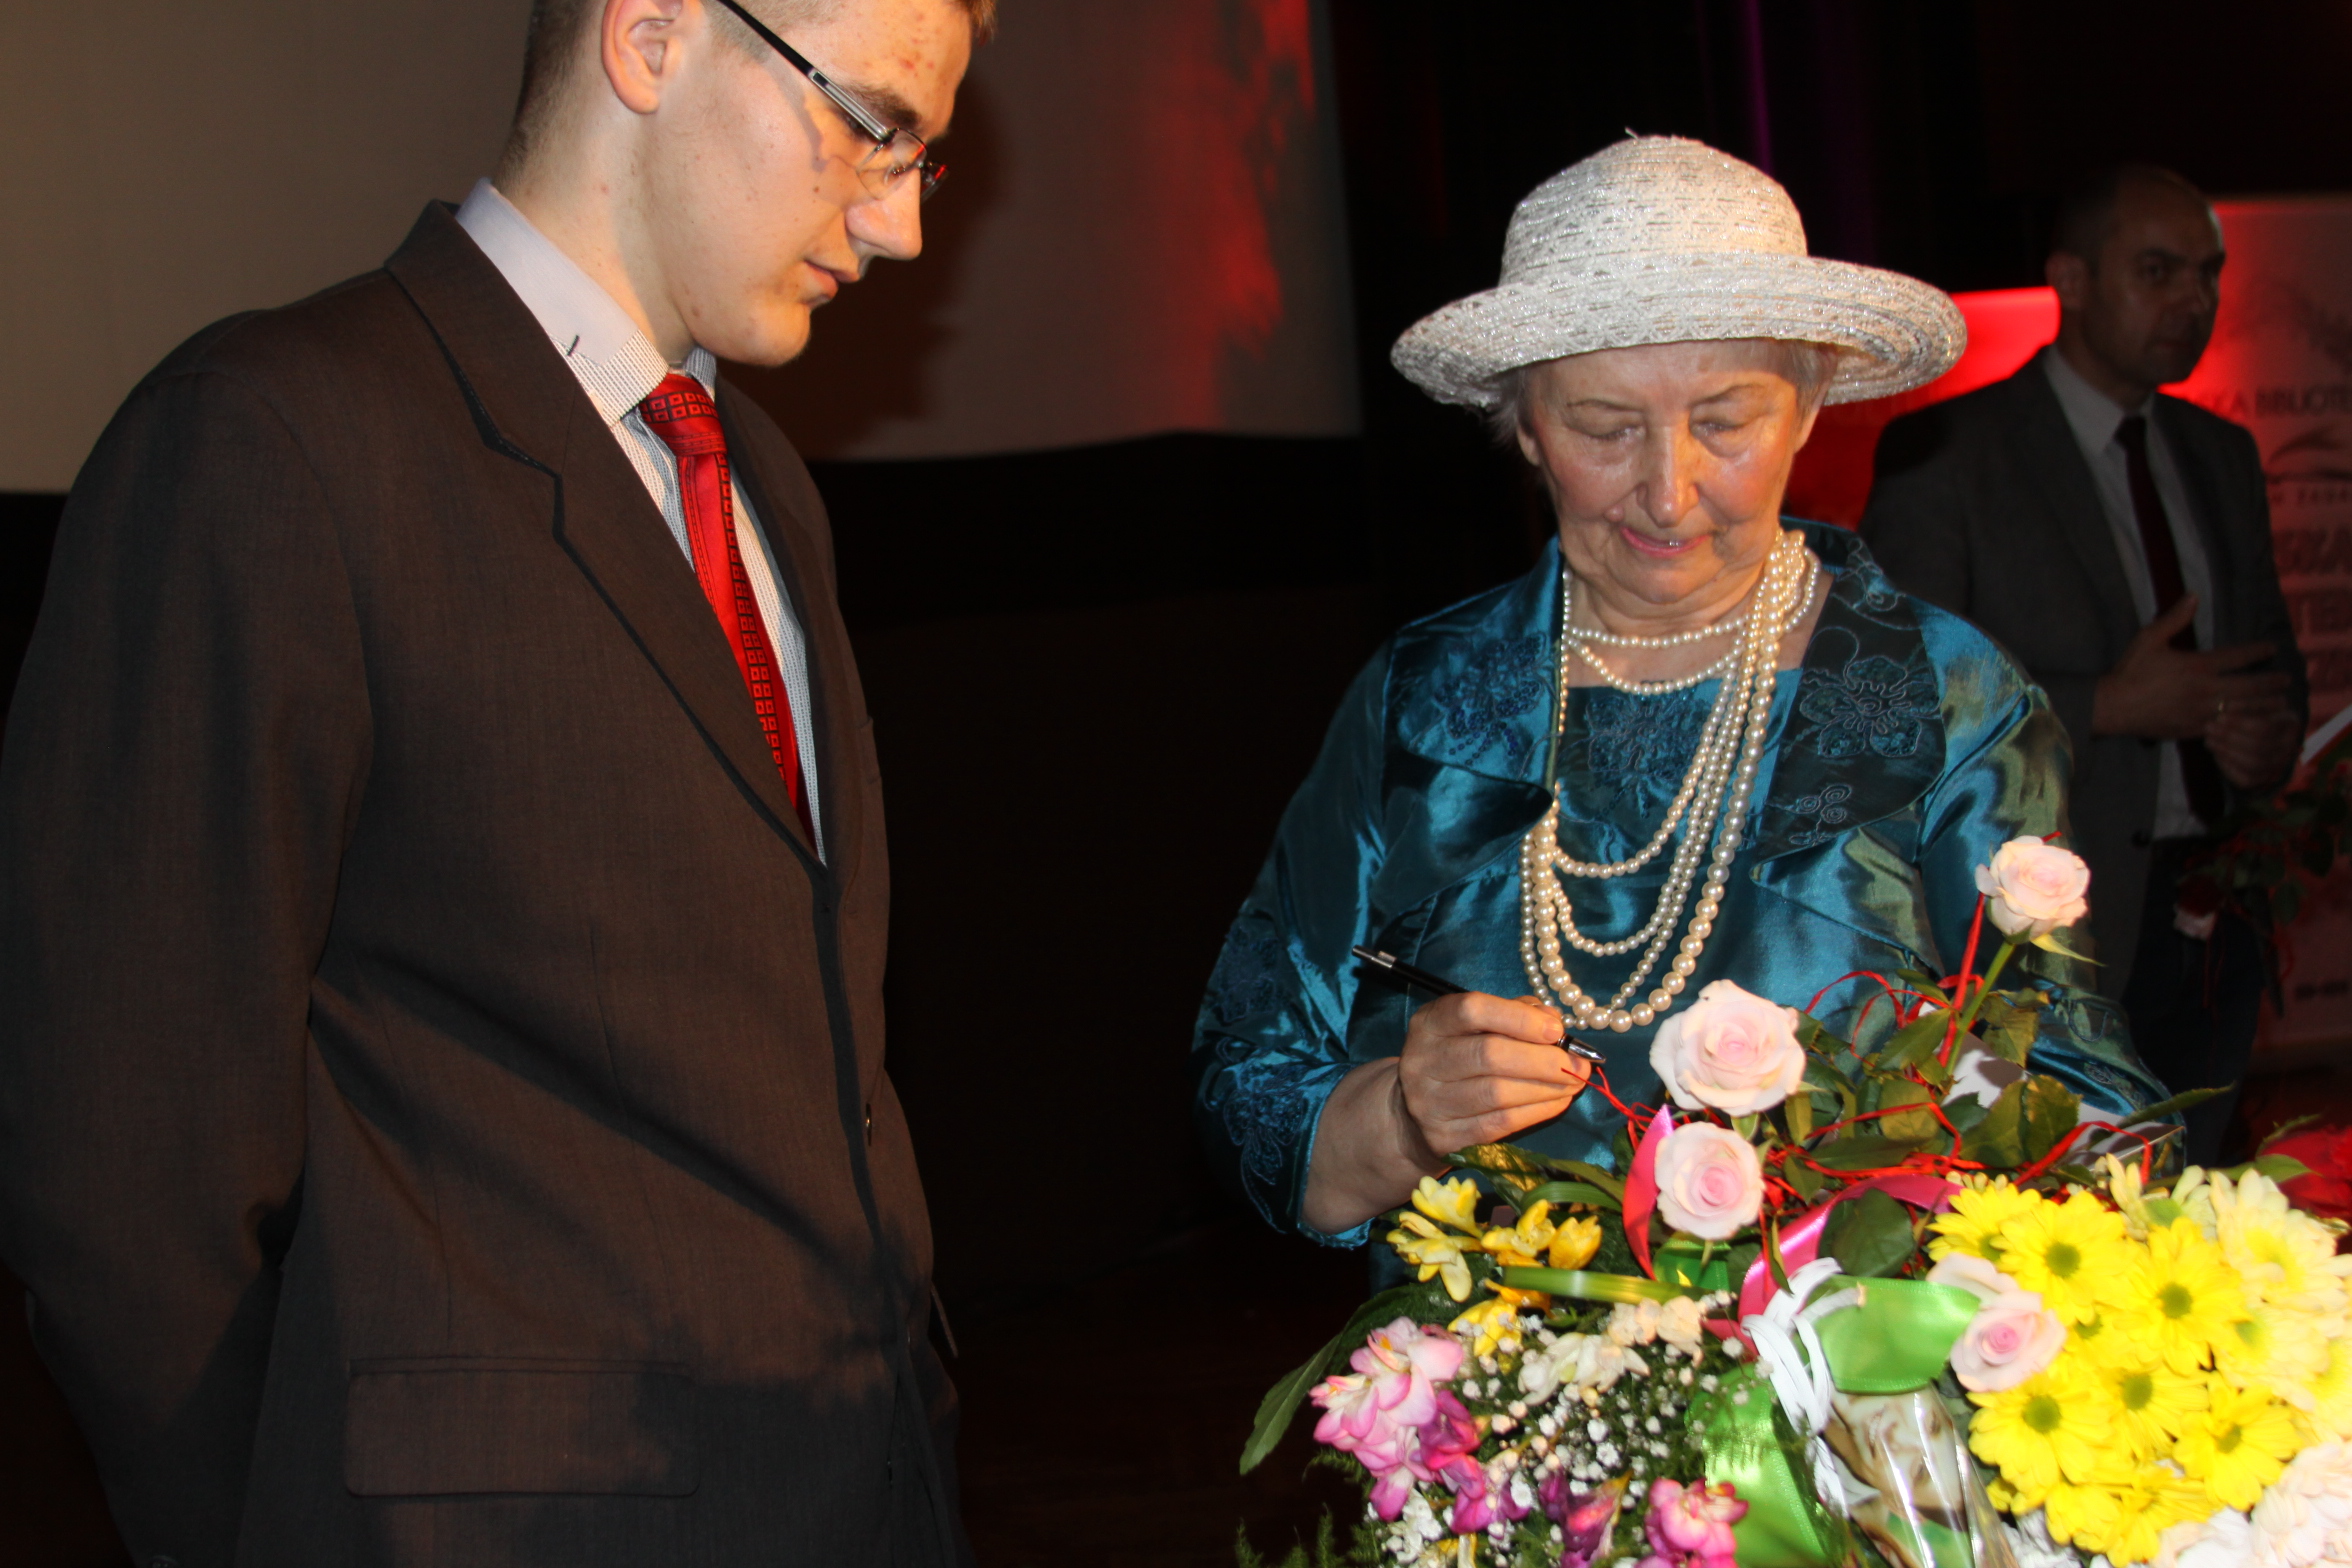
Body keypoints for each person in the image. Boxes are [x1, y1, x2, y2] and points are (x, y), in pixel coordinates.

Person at [0, 1, 988, 1564]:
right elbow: (127, 1180)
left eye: (923, 158)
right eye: (873, 127)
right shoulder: (275, 440)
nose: (900, 224)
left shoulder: (767, 489)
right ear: (651, 40)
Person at [1190, 137, 2165, 1245]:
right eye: (1605, 428)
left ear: (1809, 403)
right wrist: (1403, 1120)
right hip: (1475, 1354)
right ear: (1526, 426)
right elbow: (1245, 1079)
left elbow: (2088, 1107)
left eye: (1724, 422)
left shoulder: (1941, 699)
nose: (1668, 491)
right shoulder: (1424, 701)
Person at [1862, 164, 2305, 1166]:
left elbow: (2271, 658)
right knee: (2066, 1216)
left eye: (2208, 274)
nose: (2193, 300)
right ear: (2070, 278)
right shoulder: (1949, 452)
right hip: (2045, 931)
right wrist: (2106, 704)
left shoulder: (2220, 452)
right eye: (2158, 271)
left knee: (2203, 1200)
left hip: (2215, 913)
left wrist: (2265, 737)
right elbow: (1894, 700)